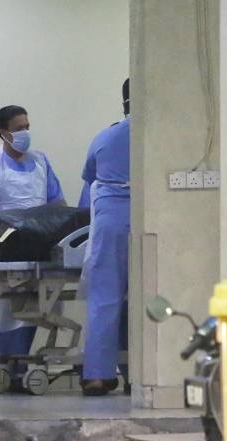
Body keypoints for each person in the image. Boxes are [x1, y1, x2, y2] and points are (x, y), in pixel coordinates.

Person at [0, 105, 66, 388]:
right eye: (19, 128)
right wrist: (7, 226)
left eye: (27, 127)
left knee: (40, 307)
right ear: (4, 133)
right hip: (6, 247)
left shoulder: (41, 163)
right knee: (6, 312)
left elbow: (57, 202)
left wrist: (48, 227)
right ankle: (8, 366)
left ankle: (24, 367)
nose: (25, 133)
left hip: (38, 244)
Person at [80, 78, 131, 396]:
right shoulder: (164, 133)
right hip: (153, 222)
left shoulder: (105, 137)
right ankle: (140, 373)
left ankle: (97, 375)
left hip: (110, 223)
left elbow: (89, 185)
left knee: (105, 299)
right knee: (145, 300)